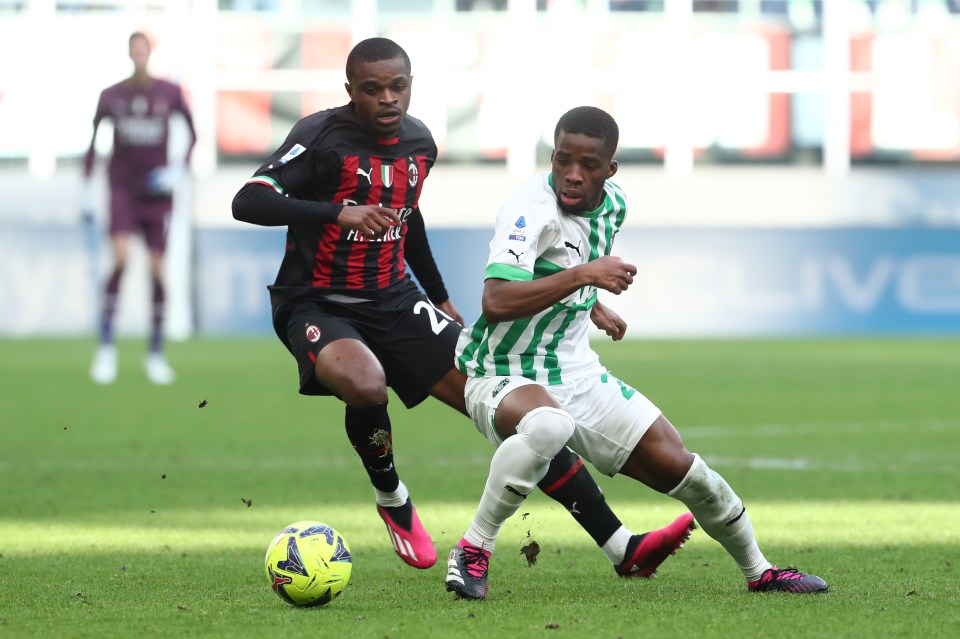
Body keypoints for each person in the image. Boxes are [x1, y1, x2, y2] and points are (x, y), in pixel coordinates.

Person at [232, 37, 694, 577]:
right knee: (365, 384)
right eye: (372, 89)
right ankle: (392, 497)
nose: (387, 99)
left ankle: (621, 547)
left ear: (411, 85)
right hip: (317, 301)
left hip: (397, 300)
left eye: (397, 87)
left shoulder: (418, 142)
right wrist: (338, 213)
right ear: (350, 91)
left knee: (523, 409)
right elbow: (249, 199)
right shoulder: (319, 136)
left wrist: (440, 297)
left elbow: (411, 221)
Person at [445, 106, 829, 600]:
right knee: (549, 425)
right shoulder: (528, 210)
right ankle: (474, 549)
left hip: (575, 370)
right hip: (500, 371)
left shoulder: (614, 206)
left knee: (688, 471)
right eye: (563, 160)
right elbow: (496, 301)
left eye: (588, 164)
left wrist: (589, 303)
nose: (572, 175)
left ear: (611, 170)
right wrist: (584, 279)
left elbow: (565, 263)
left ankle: (761, 571)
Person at [83, 31, 197, 385]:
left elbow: (193, 134)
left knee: (157, 270)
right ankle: (105, 349)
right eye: (134, 51)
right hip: (122, 190)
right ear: (129, 54)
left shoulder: (169, 92)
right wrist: (86, 189)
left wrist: (176, 170)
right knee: (119, 259)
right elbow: (92, 142)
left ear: (150, 53)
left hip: (157, 193)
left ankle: (156, 353)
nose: (139, 57)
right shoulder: (111, 95)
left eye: (143, 51)